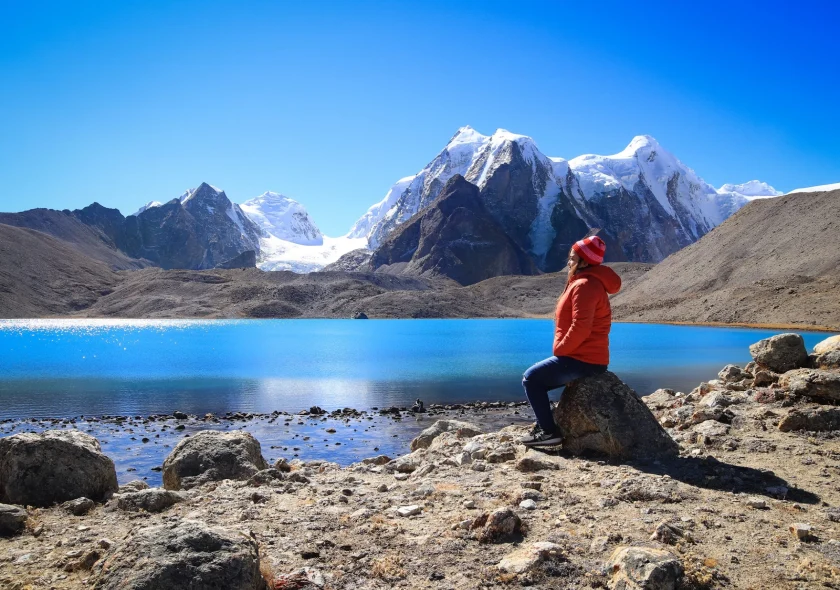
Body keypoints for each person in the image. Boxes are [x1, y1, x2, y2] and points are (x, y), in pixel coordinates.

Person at [520, 234, 622, 446]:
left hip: (582, 359)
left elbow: (580, 327)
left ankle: (549, 432)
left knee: (532, 379)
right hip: (588, 357)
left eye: (573, 258)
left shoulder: (585, 285)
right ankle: (546, 424)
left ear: (584, 262)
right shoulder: (586, 282)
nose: (569, 261)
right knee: (538, 379)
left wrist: (561, 350)